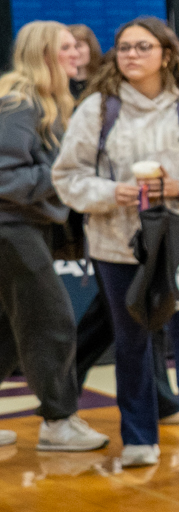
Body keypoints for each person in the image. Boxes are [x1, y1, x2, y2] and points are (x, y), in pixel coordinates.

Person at [52, 17, 179, 471]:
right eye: (124, 48)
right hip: (115, 243)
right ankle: (138, 437)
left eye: (142, 47)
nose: (131, 55)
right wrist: (108, 193)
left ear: (166, 55)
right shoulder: (97, 108)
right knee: (130, 338)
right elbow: (67, 176)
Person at [0, 23, 105, 454]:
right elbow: (5, 176)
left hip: (20, 225)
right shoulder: (20, 102)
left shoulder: (43, 100)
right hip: (10, 226)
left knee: (7, 329)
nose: (75, 54)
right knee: (51, 321)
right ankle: (59, 422)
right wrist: (64, 175)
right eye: (65, 48)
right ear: (45, 54)